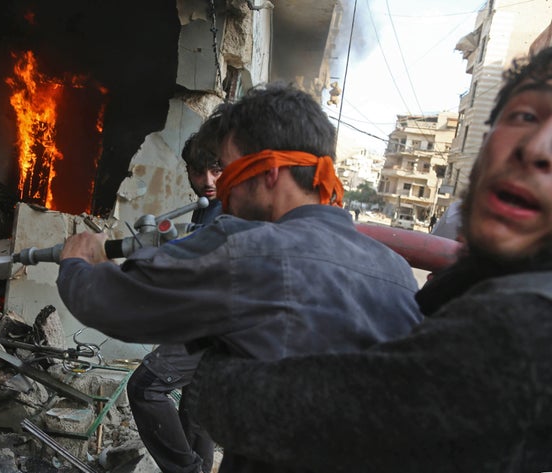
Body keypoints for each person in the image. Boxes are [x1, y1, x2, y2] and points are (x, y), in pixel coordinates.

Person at [188, 47, 552, 472]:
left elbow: (318, 416)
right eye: (525, 116)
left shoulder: (525, 327)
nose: (536, 148)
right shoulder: (478, 282)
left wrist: (215, 376)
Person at [56, 84, 423, 471]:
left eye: (229, 172)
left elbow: (116, 303)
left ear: (271, 173)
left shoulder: (248, 249)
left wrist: (79, 261)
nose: (222, 192)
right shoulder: (396, 271)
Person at [126, 121, 222, 473]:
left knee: (146, 386)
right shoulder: (205, 206)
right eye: (199, 172)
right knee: (195, 412)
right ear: (188, 172)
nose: (208, 181)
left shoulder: (234, 206)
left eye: (216, 170)